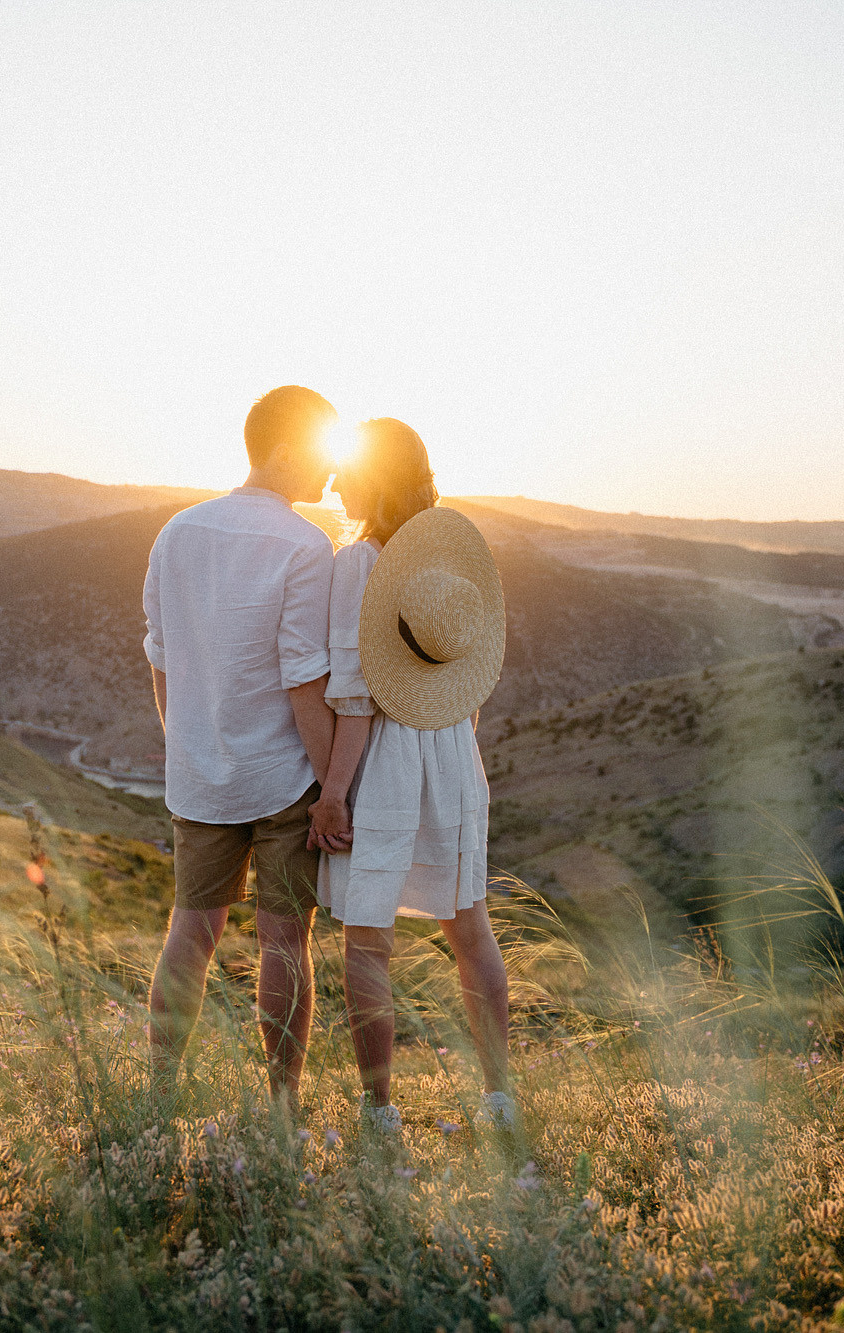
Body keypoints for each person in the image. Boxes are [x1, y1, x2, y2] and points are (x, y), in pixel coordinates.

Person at [309, 419, 516, 1134]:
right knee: (473, 932)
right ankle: (499, 1097)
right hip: (455, 749)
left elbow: (357, 697)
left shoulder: (359, 561)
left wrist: (334, 793)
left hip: (388, 758)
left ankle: (380, 1111)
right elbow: (469, 679)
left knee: (367, 942)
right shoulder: (447, 562)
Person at [143, 385, 339, 1111]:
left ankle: (159, 1094)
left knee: (189, 932)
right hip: (283, 778)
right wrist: (331, 790)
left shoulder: (177, 533)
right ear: (285, 450)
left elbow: (160, 658)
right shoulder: (304, 545)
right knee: (285, 944)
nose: (330, 468)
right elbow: (303, 681)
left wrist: (183, 746)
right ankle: (283, 1105)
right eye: (322, 448)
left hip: (200, 775)